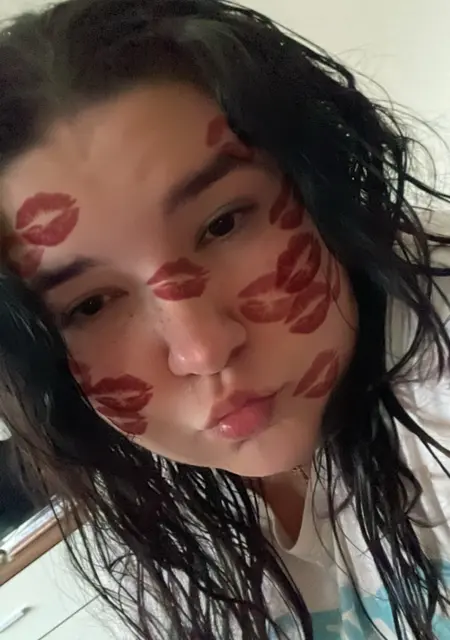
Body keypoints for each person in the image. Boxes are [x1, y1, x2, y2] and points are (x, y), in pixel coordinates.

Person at [0, 0, 449, 637]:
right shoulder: (149, 499)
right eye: (90, 305)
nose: (202, 349)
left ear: (316, 185)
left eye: (223, 223)